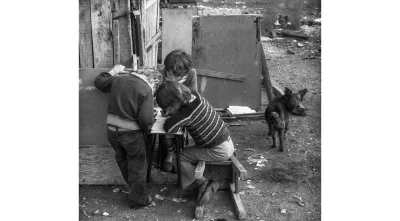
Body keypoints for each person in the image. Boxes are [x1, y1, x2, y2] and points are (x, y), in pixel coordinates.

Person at [155, 81, 234, 219]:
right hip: (225, 141)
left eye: (168, 107)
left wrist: (170, 115)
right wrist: (172, 112)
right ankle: (196, 181)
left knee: (178, 157)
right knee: (185, 152)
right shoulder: (194, 95)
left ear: (174, 103)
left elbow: (170, 127)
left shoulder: (186, 113)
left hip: (219, 149)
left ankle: (204, 183)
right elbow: (178, 116)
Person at [94, 64, 158, 209]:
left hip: (111, 131)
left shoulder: (118, 79)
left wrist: (114, 70)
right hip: (131, 133)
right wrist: (150, 125)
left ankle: (134, 190)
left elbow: (99, 82)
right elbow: (145, 120)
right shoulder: (146, 88)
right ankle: (138, 200)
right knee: (137, 166)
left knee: (123, 160)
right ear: (153, 80)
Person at [161, 50, 198, 172]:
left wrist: (175, 86)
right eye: (168, 72)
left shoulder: (191, 74)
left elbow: (192, 96)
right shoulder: (163, 71)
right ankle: (169, 151)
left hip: (183, 107)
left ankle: (175, 153)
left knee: (174, 128)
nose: (168, 75)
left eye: (172, 74)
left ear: (182, 73)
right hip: (166, 107)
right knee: (164, 129)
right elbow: (160, 94)